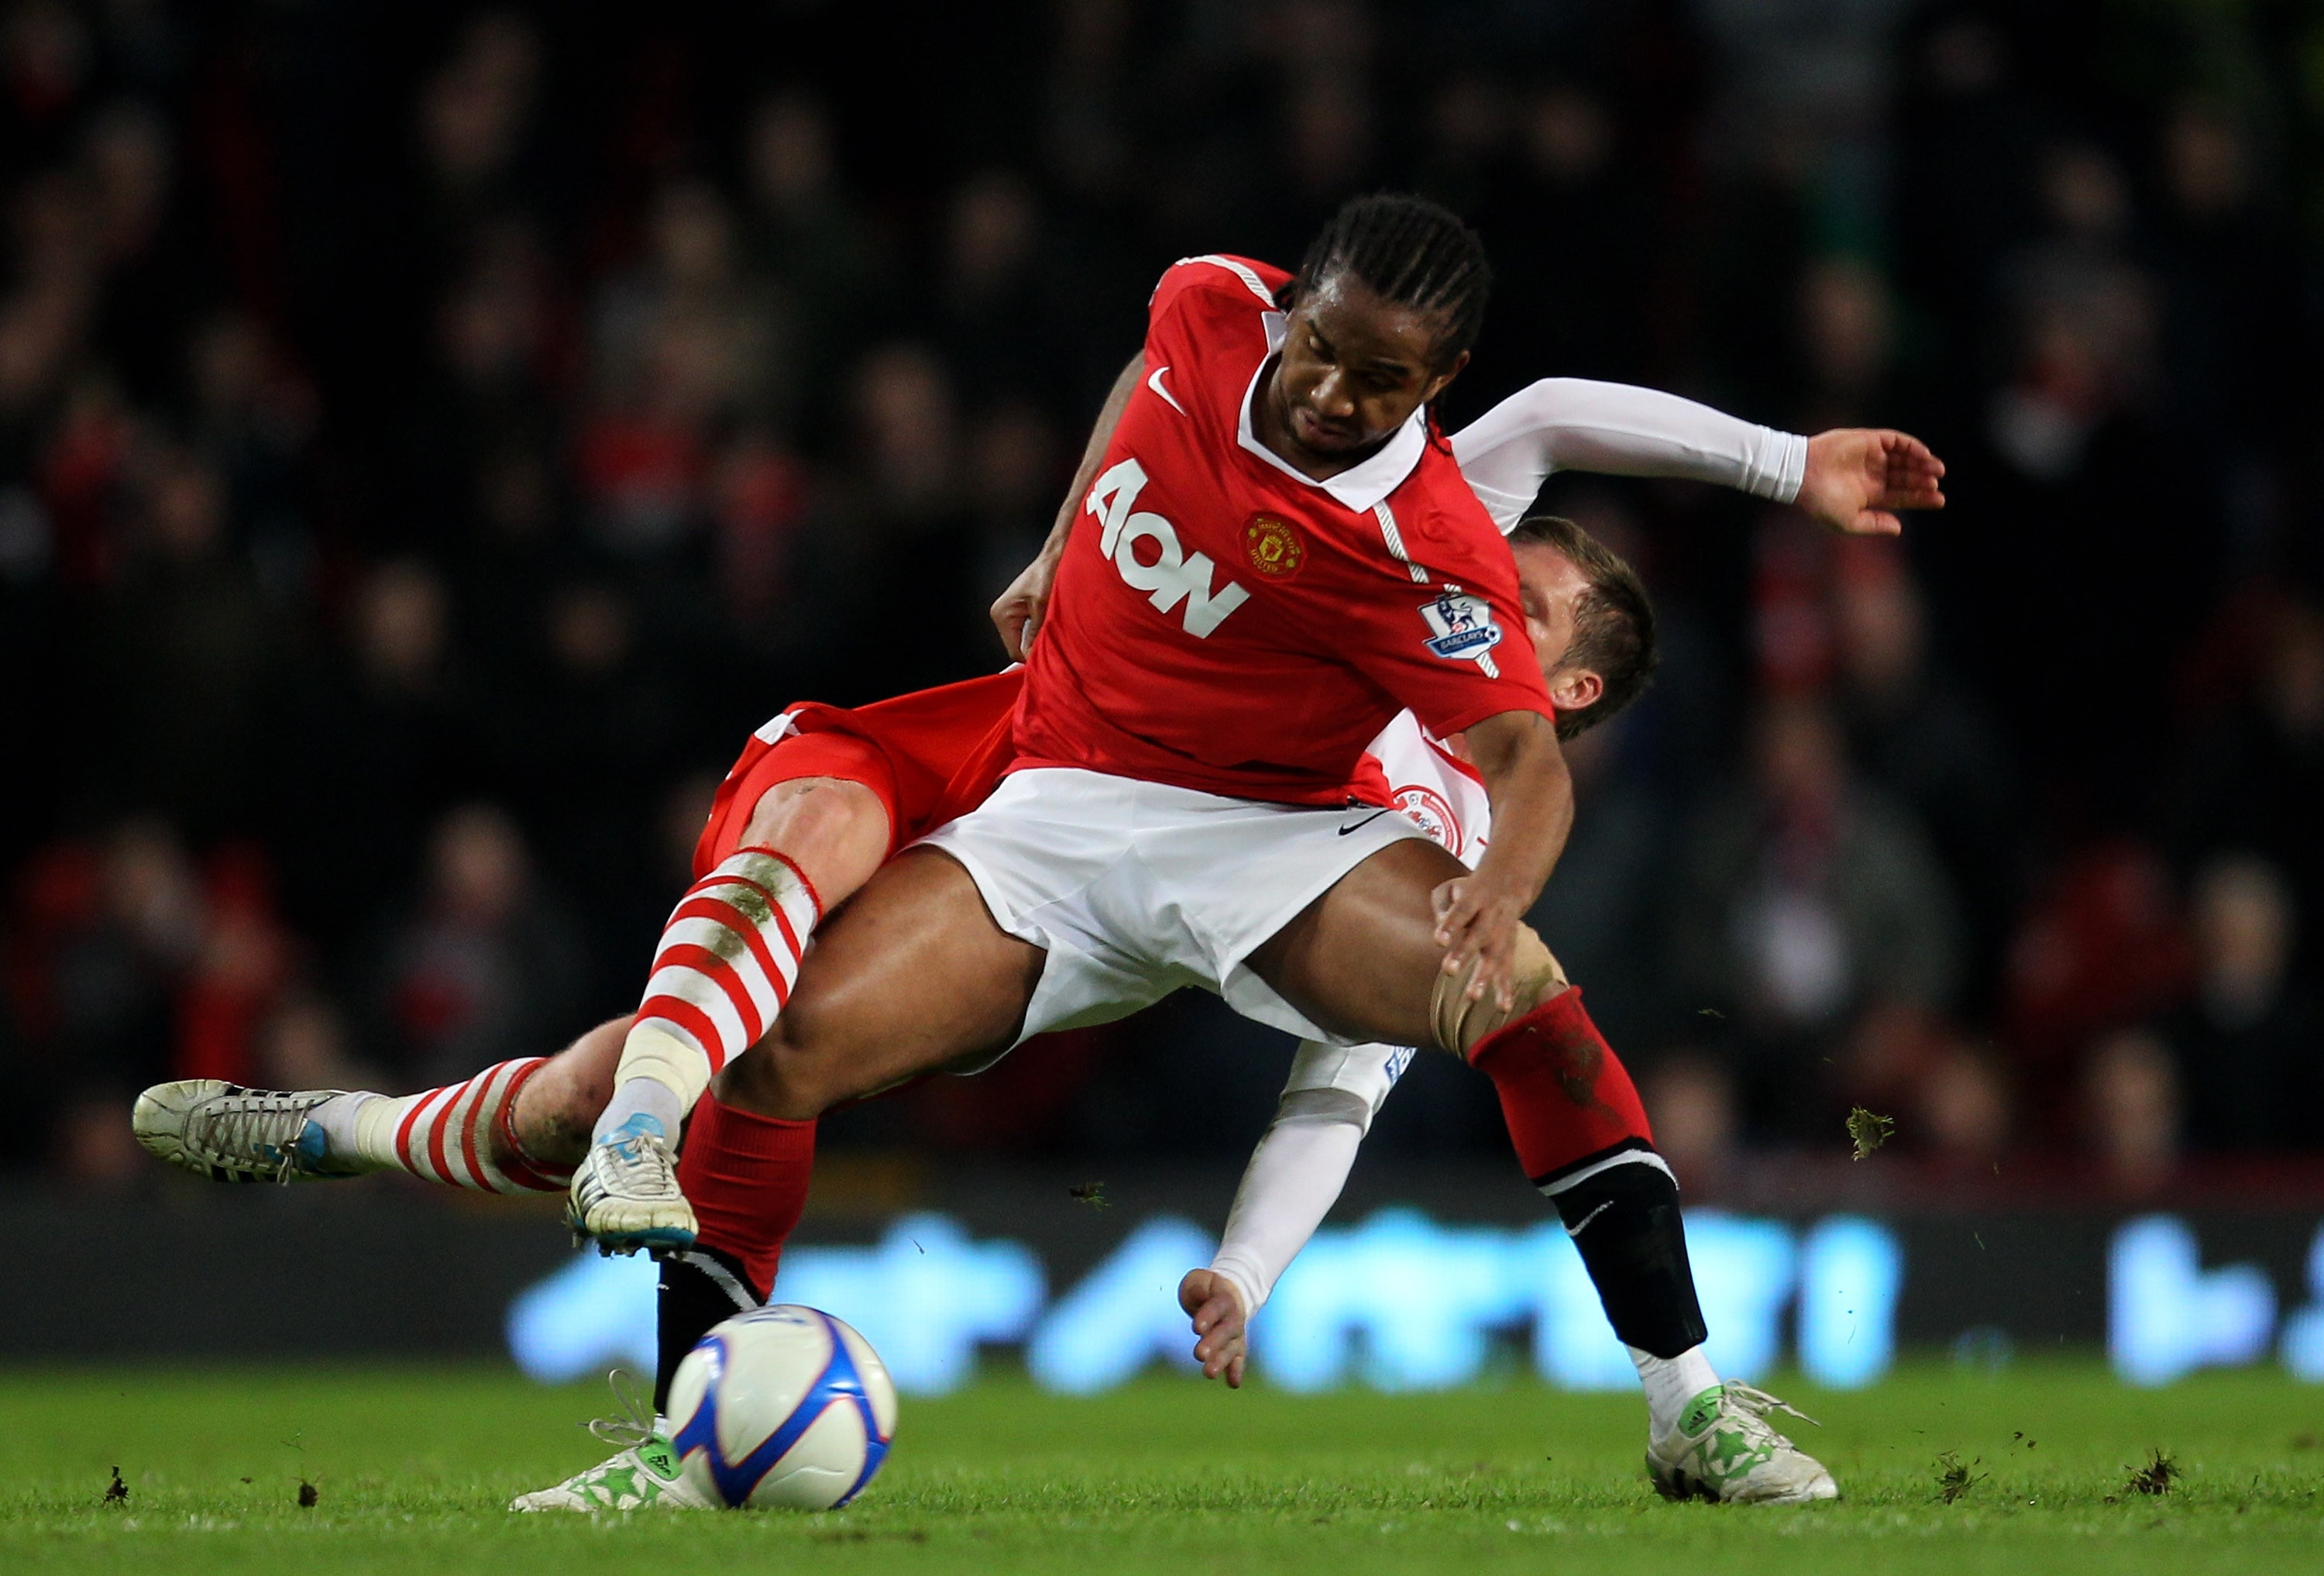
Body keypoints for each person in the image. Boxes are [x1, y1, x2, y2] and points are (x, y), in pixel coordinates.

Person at [136, 194, 1943, 1511]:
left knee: (1525, 997)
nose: (1325, 393)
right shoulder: (1211, 304)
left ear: (1429, 383)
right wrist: (1069, 532)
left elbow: (1497, 798)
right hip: (1061, 800)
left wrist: (1487, 914)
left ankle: (1688, 1408)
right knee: (759, 1043)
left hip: (1280, 850)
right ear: (1293, 304)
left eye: (1376, 380)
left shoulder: (1443, 562)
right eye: (1319, 349)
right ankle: (399, 1171)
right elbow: (1300, 390)